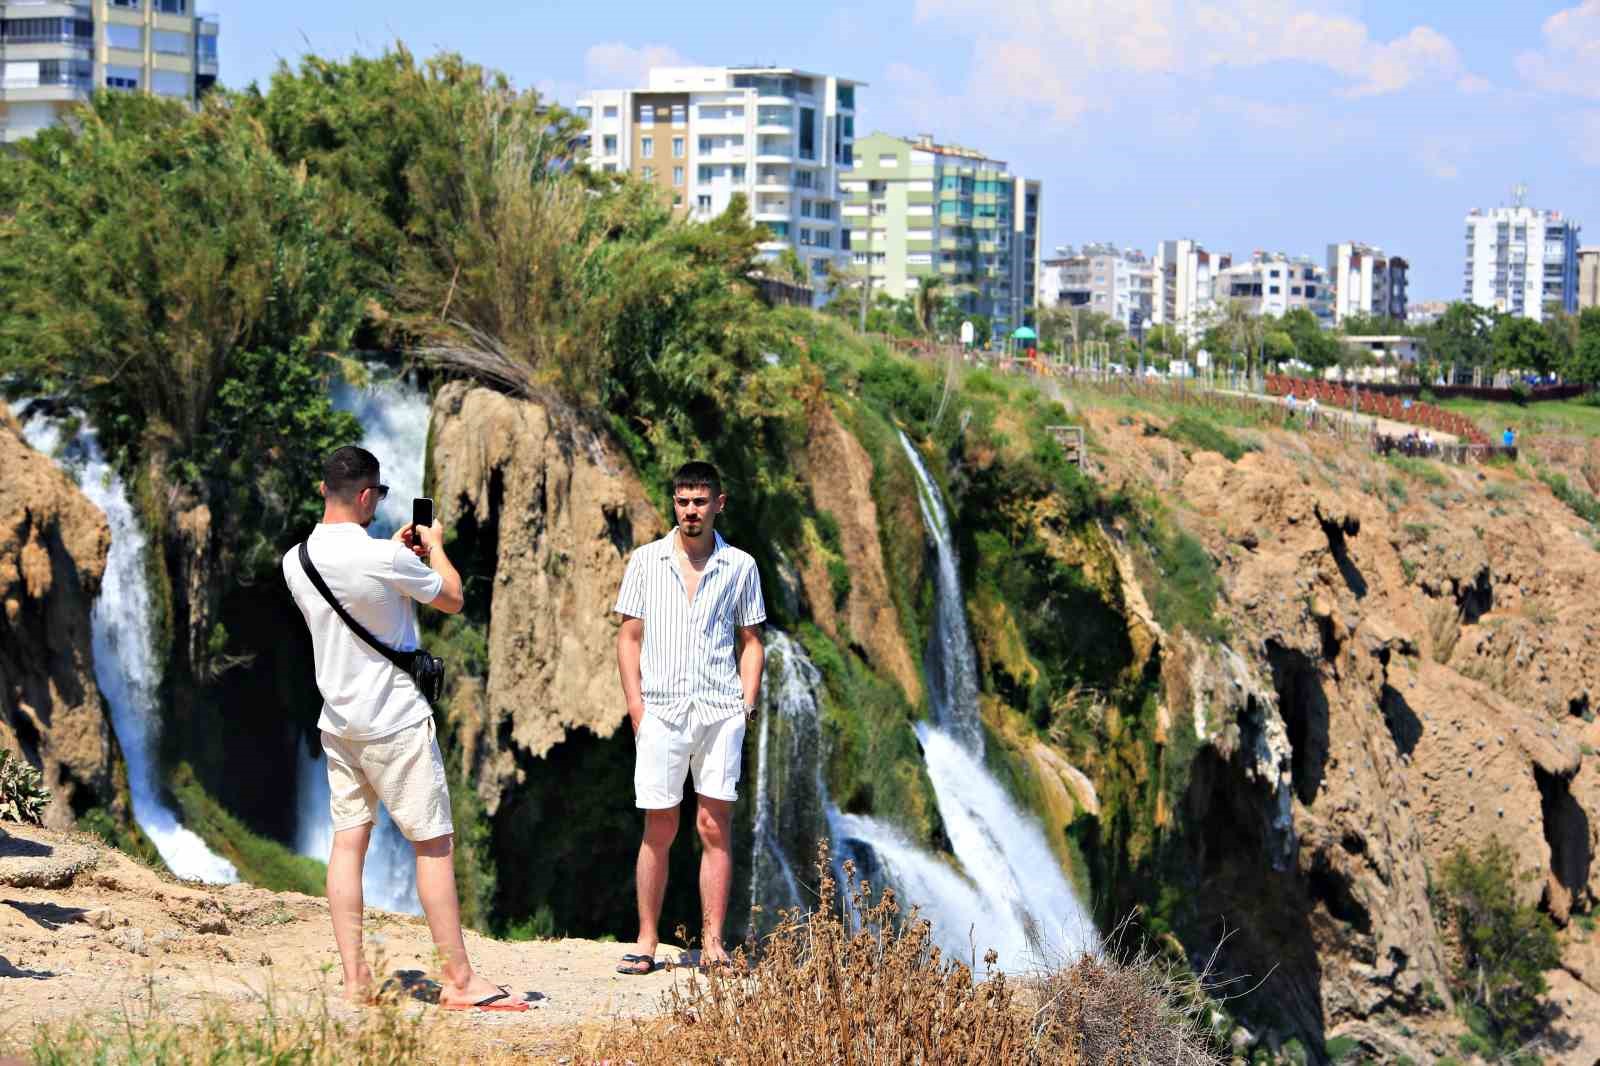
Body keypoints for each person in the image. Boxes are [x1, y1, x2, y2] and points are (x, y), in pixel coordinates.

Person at [282, 446, 524, 1012]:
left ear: (325, 490)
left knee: (348, 844)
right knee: (433, 846)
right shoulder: (382, 560)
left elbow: (354, 590)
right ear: (367, 497)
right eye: (379, 496)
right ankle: (460, 982)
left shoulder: (296, 560)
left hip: (338, 723)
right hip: (394, 721)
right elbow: (453, 598)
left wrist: (392, 555)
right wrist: (433, 549)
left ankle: (355, 979)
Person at [613, 461, 766, 976]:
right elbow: (628, 637)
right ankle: (646, 941)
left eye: (700, 501)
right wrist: (636, 706)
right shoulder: (645, 561)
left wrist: (746, 705)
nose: (690, 511)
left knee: (713, 826)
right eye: (682, 501)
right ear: (673, 504)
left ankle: (714, 944)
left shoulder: (741, 566)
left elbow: (751, 642)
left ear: (719, 503)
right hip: (662, 708)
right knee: (659, 823)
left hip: (721, 711)